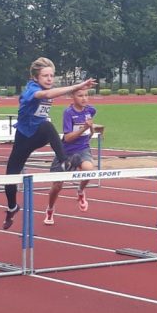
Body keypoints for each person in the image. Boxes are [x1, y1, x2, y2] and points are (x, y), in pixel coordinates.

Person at [3, 58, 95, 229]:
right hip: (24, 139)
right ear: (35, 77)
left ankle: (64, 161)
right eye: (45, 76)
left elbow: (53, 94)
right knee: (10, 178)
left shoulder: (48, 89)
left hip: (39, 135)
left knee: (47, 125)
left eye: (52, 75)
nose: (49, 79)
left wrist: (79, 89)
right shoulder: (32, 89)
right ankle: (12, 208)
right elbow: (46, 95)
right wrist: (77, 86)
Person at [43, 88, 101, 225]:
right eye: (80, 96)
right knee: (57, 185)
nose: (84, 98)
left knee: (89, 170)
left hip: (82, 149)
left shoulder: (91, 110)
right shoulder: (68, 113)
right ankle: (50, 209)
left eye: (86, 95)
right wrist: (84, 128)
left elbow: (90, 130)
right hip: (66, 151)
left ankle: (80, 191)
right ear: (73, 97)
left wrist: (90, 130)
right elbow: (68, 138)